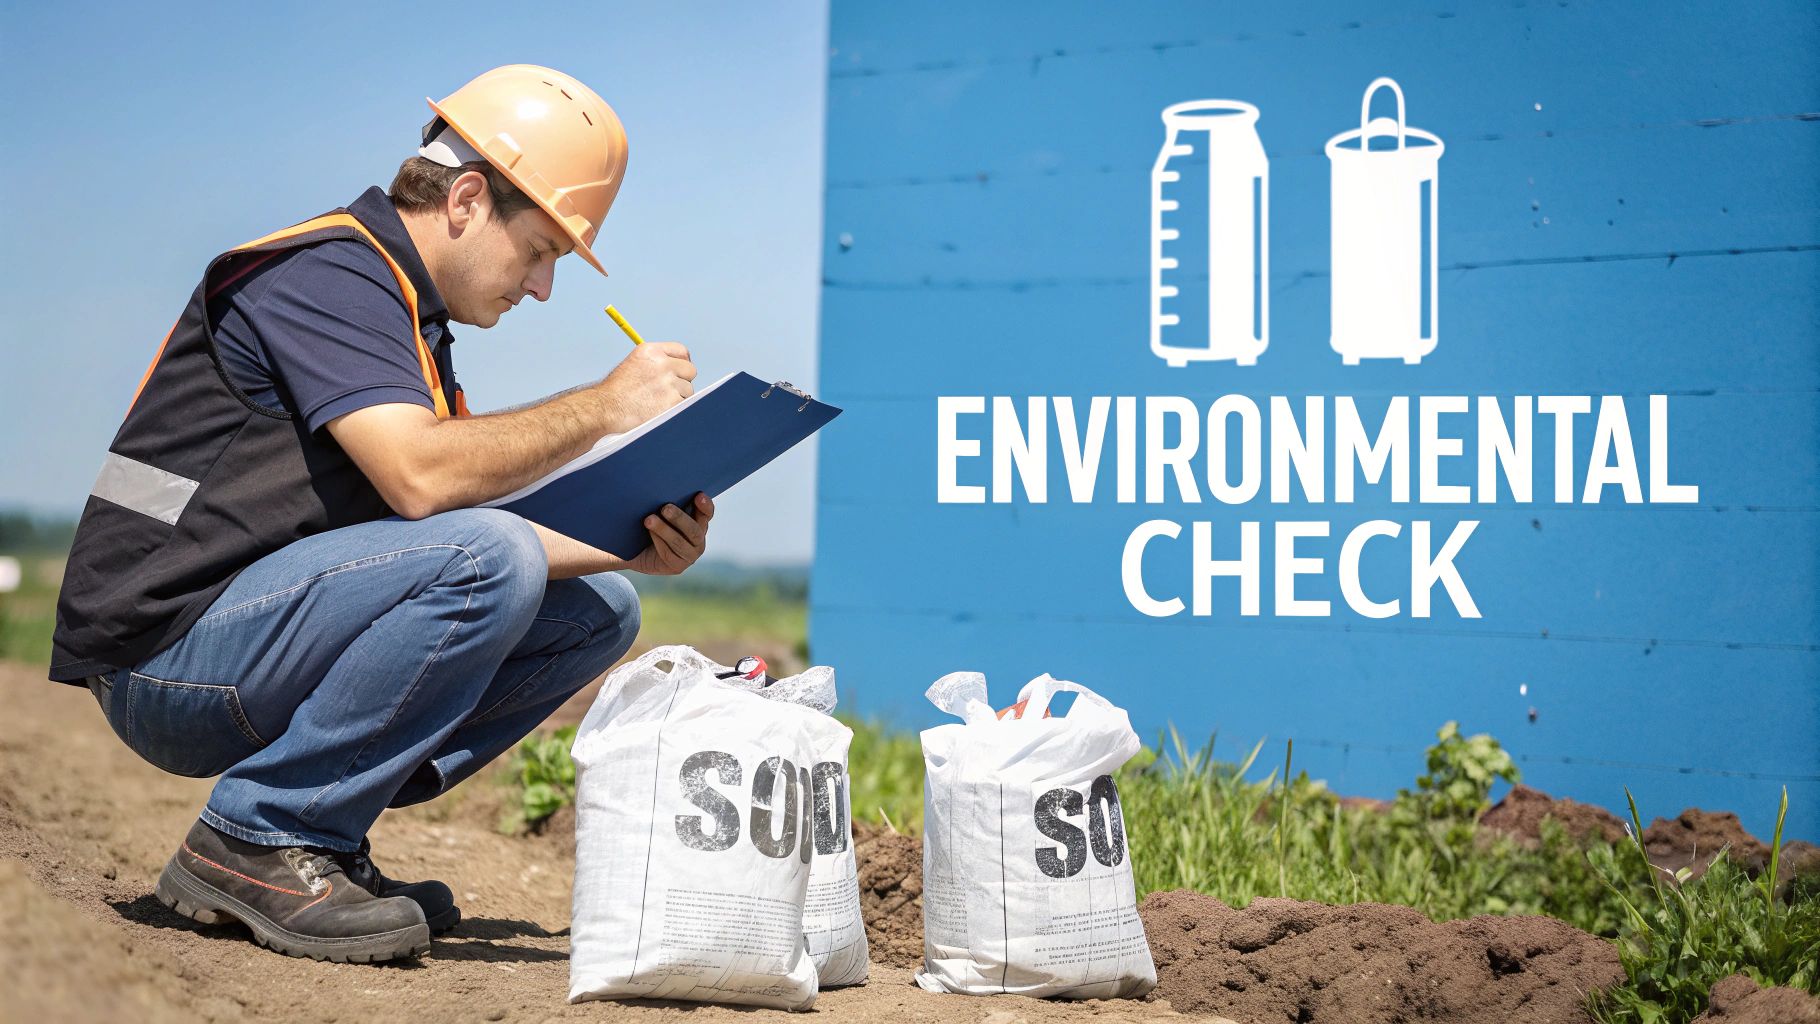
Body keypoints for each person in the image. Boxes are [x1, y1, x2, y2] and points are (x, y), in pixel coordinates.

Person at [48, 65, 710, 963]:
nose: (545, 287)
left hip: (246, 634)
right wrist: (604, 406)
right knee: (491, 555)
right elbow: (423, 484)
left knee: (601, 614)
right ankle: (260, 835)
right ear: (469, 198)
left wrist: (631, 548)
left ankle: (324, 831)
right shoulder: (329, 274)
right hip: (162, 660)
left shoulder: (408, 319)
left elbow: (462, 529)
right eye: (542, 250)